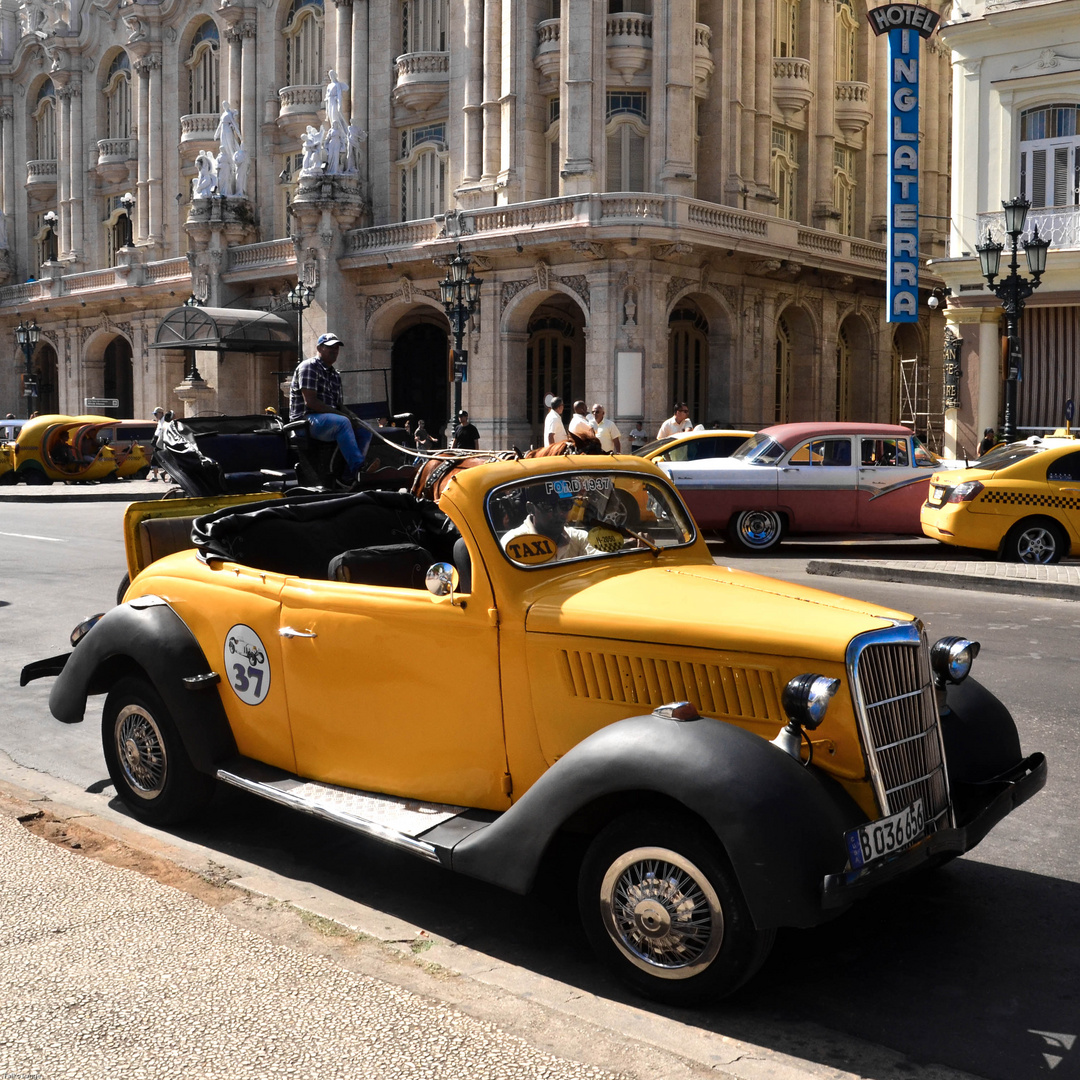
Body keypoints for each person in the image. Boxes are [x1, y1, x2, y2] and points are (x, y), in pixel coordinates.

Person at [289, 332, 372, 481]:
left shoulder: (335, 374)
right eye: (330, 348)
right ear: (319, 348)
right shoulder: (309, 367)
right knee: (343, 422)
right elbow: (311, 402)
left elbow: (339, 405)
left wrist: (352, 416)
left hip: (327, 420)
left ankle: (349, 476)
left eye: (336, 348)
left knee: (365, 429)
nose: (334, 351)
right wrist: (344, 417)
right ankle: (359, 468)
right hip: (304, 422)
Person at [501, 488, 592, 562]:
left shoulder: (580, 539)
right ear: (530, 508)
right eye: (548, 506)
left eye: (565, 504)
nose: (559, 513)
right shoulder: (513, 543)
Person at [148, 406, 166, 481]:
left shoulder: (164, 421)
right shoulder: (160, 421)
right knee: (156, 459)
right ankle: (158, 475)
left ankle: (156, 476)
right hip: (158, 441)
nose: (155, 416)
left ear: (160, 413)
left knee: (156, 459)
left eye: (156, 414)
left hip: (161, 442)